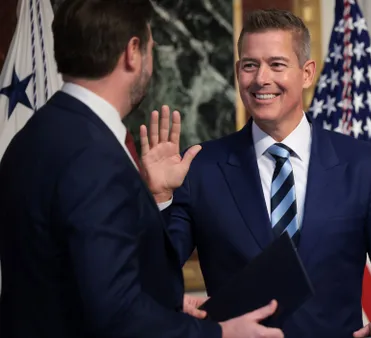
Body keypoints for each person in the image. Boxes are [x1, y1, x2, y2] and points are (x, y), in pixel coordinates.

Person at [0, 1, 283, 337]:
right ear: (133, 52)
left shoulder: (30, 137)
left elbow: (77, 277)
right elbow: (116, 313)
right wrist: (222, 334)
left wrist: (166, 300)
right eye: (151, 45)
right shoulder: (94, 156)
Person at [140, 8, 371, 338]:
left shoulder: (364, 165)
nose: (261, 78)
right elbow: (157, 274)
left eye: (276, 64)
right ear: (237, 72)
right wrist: (160, 198)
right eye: (250, 65)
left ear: (306, 74)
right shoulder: (200, 167)